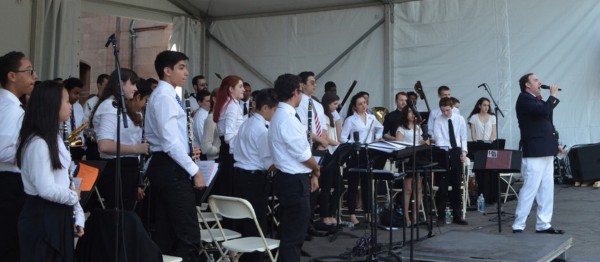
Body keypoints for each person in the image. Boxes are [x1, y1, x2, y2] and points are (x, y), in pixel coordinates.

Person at [144, 50, 205, 261]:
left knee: (169, 230)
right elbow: (170, 143)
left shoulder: (169, 95)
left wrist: (189, 150)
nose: (186, 72)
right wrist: (195, 170)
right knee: (187, 234)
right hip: (169, 166)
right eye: (181, 67)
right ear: (167, 71)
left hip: (168, 163)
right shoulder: (164, 96)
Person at [16, 80, 85, 262]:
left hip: (56, 215)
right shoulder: (38, 143)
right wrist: (73, 197)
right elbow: (46, 189)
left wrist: (78, 215)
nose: (70, 105)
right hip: (42, 219)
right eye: (66, 101)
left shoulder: (55, 138)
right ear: (52, 105)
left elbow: (65, 180)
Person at [269, 73, 320, 262]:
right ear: (294, 92)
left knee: (290, 233)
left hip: (288, 178)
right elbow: (303, 155)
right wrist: (316, 170)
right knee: (294, 237)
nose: (301, 96)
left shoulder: (279, 115)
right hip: (294, 180)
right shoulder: (287, 118)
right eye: (300, 91)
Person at [89, 68, 149, 210]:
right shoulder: (109, 107)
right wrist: (135, 149)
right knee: (119, 215)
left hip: (128, 168)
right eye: (132, 84)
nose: (135, 88)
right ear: (120, 84)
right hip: (117, 169)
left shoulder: (122, 105)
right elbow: (104, 145)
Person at [512, 73, 563, 234]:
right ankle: (519, 224)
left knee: (547, 188)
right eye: (535, 80)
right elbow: (542, 111)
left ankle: (543, 224)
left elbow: (548, 122)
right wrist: (553, 95)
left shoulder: (539, 100)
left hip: (547, 148)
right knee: (530, 188)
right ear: (527, 85)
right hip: (534, 150)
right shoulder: (524, 99)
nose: (540, 82)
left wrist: (556, 143)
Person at [232, 88, 278, 261]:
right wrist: (283, 164)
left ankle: (245, 256)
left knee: (244, 219)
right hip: (255, 178)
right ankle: (255, 258)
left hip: (240, 175)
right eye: (274, 110)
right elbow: (268, 163)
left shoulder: (246, 124)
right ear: (265, 108)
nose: (274, 114)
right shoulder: (261, 130)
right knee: (256, 221)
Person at [0, 51, 37, 262]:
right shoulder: (10, 109)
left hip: (9, 184)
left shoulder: (11, 105)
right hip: (9, 185)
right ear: (12, 76)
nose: (34, 76)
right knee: (10, 246)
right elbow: (3, 151)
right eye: (29, 71)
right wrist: (32, 150)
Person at [340, 93, 384, 225]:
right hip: (355, 152)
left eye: (365, 103)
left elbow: (380, 128)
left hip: (368, 152)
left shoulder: (371, 117)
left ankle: (367, 213)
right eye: (360, 104)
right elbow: (342, 137)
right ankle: (352, 214)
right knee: (353, 184)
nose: (363, 106)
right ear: (354, 107)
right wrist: (352, 143)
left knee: (366, 183)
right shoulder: (350, 120)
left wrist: (377, 138)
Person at [432, 97, 468, 225]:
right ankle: (441, 216)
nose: (445, 113)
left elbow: (463, 137)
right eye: (443, 111)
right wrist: (445, 153)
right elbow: (438, 139)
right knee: (443, 187)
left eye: (447, 110)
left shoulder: (460, 119)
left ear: (452, 107)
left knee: (457, 186)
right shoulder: (438, 120)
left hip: (456, 151)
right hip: (443, 152)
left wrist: (464, 152)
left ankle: (457, 215)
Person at [395, 106, 428, 226]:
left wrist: (424, 142)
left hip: (418, 158)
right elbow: (398, 146)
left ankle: (415, 216)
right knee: (408, 189)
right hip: (407, 159)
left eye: (413, 112)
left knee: (418, 188)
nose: (412, 114)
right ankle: (406, 217)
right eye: (409, 112)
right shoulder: (401, 129)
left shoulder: (418, 128)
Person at [213, 75, 245, 197]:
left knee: (227, 187)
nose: (243, 89)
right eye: (240, 86)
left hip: (226, 151)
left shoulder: (227, 104)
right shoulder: (231, 105)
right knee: (230, 188)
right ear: (231, 89)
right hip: (230, 152)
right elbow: (228, 136)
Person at [468, 97, 498, 204]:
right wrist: (477, 141)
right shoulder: (474, 117)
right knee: (481, 172)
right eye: (484, 105)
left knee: (492, 171)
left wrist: (491, 140)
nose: (486, 107)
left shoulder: (492, 117)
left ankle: (492, 197)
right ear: (479, 106)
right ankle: (481, 195)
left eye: (488, 105)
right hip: (479, 145)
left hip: (490, 144)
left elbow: (494, 131)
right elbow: (473, 133)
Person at [319, 93, 342, 226]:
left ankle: (332, 212)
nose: (337, 106)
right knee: (326, 187)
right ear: (327, 104)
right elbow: (325, 138)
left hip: (334, 152)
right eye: (334, 104)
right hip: (328, 152)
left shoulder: (334, 115)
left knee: (339, 186)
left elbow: (339, 129)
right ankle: (324, 215)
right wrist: (337, 143)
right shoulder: (324, 117)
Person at [63, 77, 86, 160]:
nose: (77, 97)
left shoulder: (79, 107)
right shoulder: (60, 107)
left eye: (79, 94)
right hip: (63, 146)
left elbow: (81, 128)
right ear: (67, 91)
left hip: (76, 146)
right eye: (75, 93)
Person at [200, 89, 220, 161]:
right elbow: (205, 147)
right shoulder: (211, 119)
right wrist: (219, 150)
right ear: (214, 99)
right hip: (215, 160)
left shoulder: (223, 118)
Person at [192, 89, 211, 154]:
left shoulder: (207, 113)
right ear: (199, 102)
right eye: (207, 101)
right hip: (202, 152)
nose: (210, 103)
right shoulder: (200, 117)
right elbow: (202, 138)